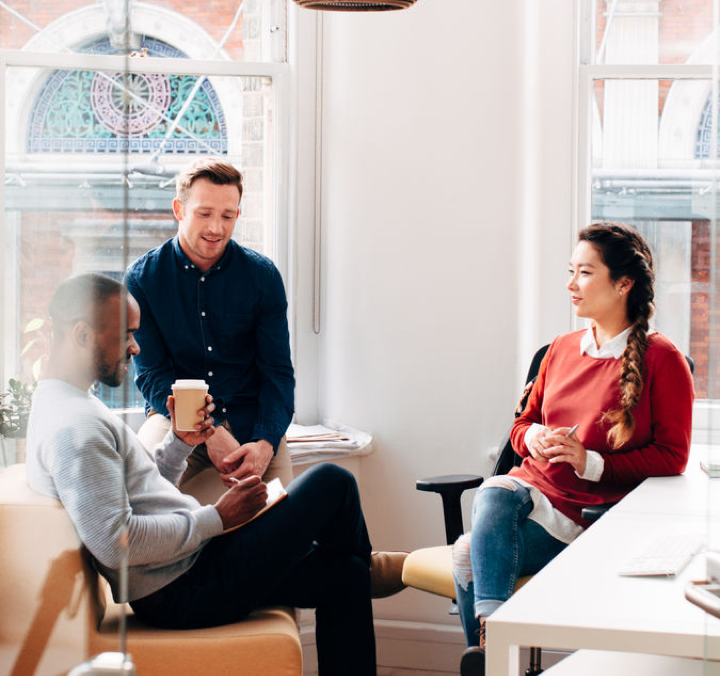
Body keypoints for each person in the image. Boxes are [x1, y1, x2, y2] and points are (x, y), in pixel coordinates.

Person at [26, 273, 406, 676]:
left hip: (187, 569)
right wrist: (220, 517)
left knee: (345, 579)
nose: (135, 347)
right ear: (82, 335)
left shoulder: (69, 405)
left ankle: (360, 568)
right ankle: (368, 564)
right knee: (333, 481)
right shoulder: (76, 429)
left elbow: (141, 494)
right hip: (182, 590)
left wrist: (180, 443)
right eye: (126, 335)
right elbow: (117, 545)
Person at [453, 222, 693, 676]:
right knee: (495, 492)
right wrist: (534, 438)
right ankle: (493, 639)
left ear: (623, 284)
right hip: (531, 493)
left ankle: (489, 653)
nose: (570, 284)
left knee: (467, 552)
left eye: (584, 273)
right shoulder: (559, 349)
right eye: (570, 271)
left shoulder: (664, 360)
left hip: (591, 516)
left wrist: (592, 463)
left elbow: (672, 456)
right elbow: (522, 426)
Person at [125, 157, 294, 487]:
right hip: (175, 421)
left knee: (284, 525)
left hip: (252, 419)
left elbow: (278, 374)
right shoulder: (142, 279)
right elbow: (152, 375)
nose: (217, 228)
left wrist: (265, 444)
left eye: (227, 216)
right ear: (179, 209)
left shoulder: (263, 277)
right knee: (138, 497)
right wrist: (210, 432)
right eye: (204, 214)